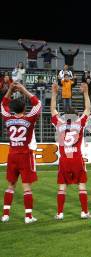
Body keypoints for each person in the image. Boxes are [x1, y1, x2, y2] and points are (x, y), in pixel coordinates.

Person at [1, 83, 42, 223]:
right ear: (24, 108)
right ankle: (28, 216)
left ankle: (5, 215)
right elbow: (38, 105)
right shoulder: (29, 119)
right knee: (26, 187)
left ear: (12, 108)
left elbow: (2, 104)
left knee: (11, 186)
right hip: (25, 154)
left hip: (12, 154)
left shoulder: (8, 119)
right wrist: (24, 90)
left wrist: (10, 90)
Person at [51, 82, 91, 220]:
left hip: (64, 160)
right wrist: (86, 93)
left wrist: (54, 93)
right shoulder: (79, 123)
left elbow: (52, 110)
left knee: (62, 187)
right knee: (82, 186)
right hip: (76, 159)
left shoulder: (60, 123)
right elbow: (88, 109)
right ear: (75, 116)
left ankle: (60, 213)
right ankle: (84, 212)